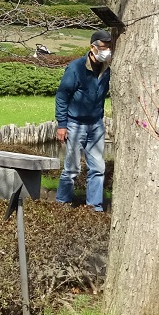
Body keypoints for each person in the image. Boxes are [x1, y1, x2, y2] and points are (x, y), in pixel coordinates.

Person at [53, 30, 112, 211]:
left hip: (95, 124)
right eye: (103, 47)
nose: (107, 51)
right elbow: (62, 97)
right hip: (74, 123)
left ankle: (95, 207)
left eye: (109, 47)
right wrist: (62, 124)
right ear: (92, 48)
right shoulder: (76, 68)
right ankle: (62, 203)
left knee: (98, 168)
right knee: (71, 169)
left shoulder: (106, 68)